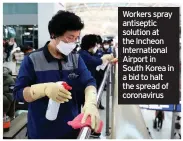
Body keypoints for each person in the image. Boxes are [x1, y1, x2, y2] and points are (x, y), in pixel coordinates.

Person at [13, 10, 100, 139]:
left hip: (72, 129)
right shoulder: (33, 59)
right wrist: (42, 89)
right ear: (54, 35)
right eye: (70, 37)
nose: (73, 43)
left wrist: (91, 103)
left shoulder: (75, 59)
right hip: (41, 132)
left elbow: (89, 82)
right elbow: (18, 94)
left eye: (76, 38)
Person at [79, 34, 117, 110]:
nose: (96, 46)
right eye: (95, 44)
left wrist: (107, 59)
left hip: (89, 80)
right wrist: (105, 58)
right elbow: (96, 61)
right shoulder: (83, 54)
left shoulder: (88, 53)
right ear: (91, 44)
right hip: (83, 83)